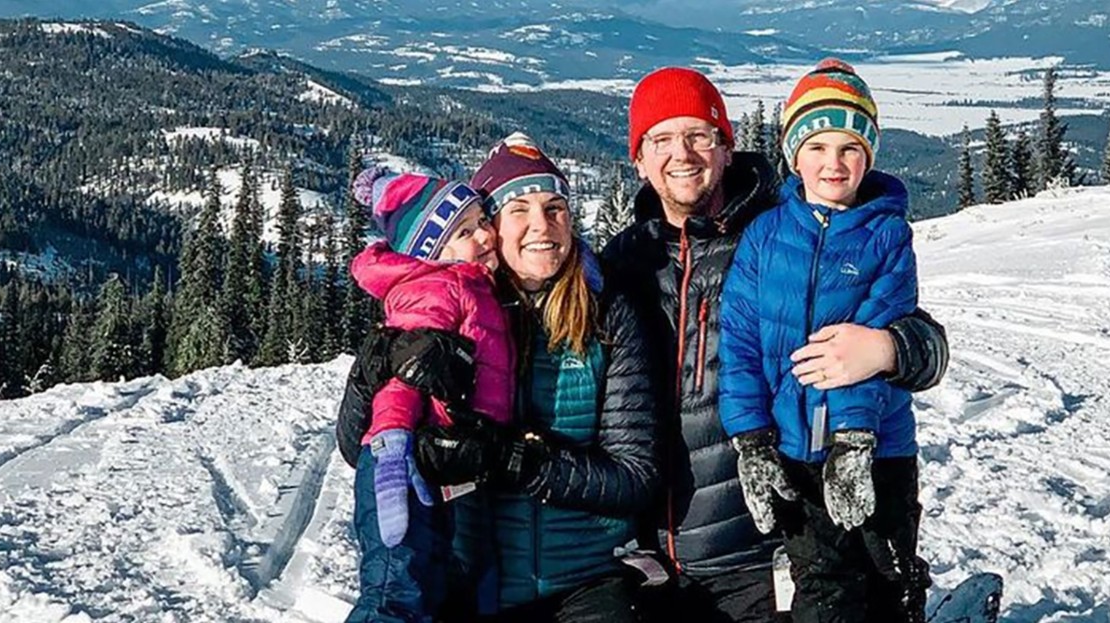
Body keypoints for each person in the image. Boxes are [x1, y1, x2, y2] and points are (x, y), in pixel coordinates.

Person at [598, 66, 951, 622]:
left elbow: (923, 342)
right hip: (657, 556)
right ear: (638, 159)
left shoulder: (781, 232)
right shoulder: (621, 264)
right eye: (661, 140)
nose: (682, 154)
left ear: (726, 146)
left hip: (766, 545)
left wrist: (887, 350)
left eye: (698, 135)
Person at [408, 133, 660, 623]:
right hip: (477, 579)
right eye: (518, 209)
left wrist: (520, 461)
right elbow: (361, 445)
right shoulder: (451, 311)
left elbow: (635, 476)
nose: (541, 226)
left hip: (587, 578)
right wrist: (370, 375)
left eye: (555, 207)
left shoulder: (608, 312)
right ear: (490, 228)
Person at [718, 58, 928, 623]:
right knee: (824, 589)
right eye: (816, 147)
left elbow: (876, 346)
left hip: (878, 450)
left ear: (869, 155)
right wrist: (752, 441)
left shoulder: (887, 236)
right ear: (793, 155)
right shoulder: (764, 236)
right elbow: (737, 342)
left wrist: (854, 439)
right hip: (794, 453)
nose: (832, 163)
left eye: (849, 148)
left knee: (887, 580)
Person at [341, 168, 515, 623]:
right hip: (404, 463)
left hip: (449, 467)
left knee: (447, 589)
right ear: (432, 250)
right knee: (396, 592)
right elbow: (402, 378)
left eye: (482, 220)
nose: (484, 235)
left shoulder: (475, 285)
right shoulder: (438, 287)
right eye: (464, 232)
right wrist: (393, 447)